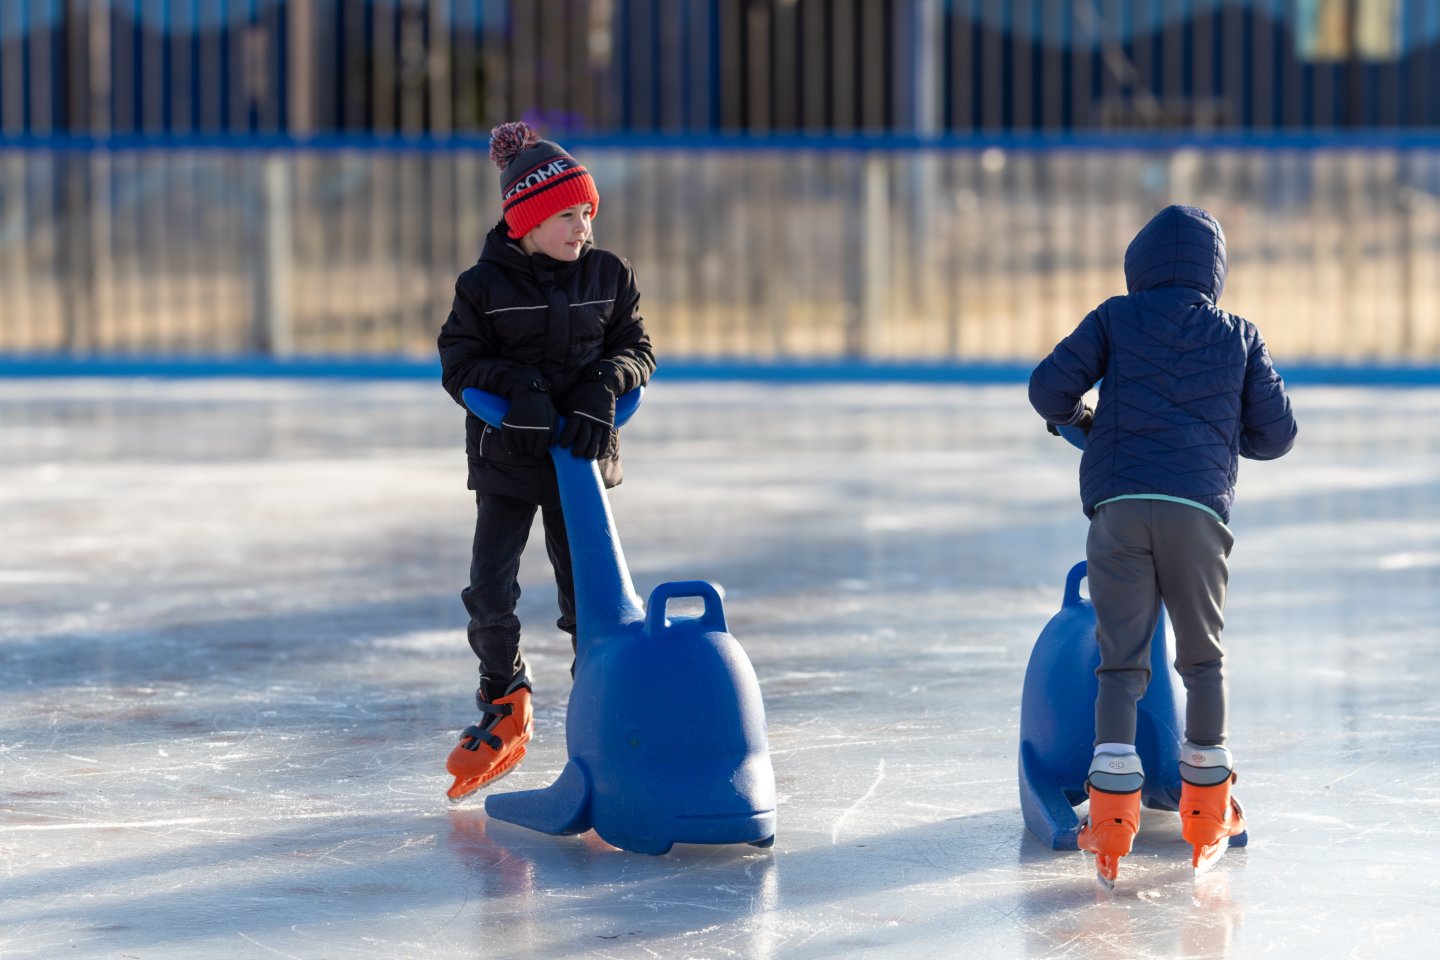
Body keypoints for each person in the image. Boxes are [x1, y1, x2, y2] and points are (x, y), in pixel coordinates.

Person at [1028, 204, 1296, 877]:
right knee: (1202, 661)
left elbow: (1047, 389)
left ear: (1138, 264)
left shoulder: (1116, 318)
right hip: (1198, 516)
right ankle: (1207, 806)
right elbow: (1278, 434)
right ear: (1217, 273)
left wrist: (1082, 418)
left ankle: (1113, 821)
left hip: (1119, 509)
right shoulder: (1239, 334)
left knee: (1120, 665)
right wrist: (1210, 438)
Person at [437, 121, 656, 801]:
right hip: (509, 461)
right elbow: (460, 363)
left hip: (582, 463)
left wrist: (605, 385)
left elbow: (638, 348)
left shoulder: (609, 275)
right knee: (490, 592)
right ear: (526, 222)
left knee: (589, 597)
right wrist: (516, 388)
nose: (581, 227)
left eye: (587, 212)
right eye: (565, 214)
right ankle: (505, 697)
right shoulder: (482, 286)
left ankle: (608, 710)